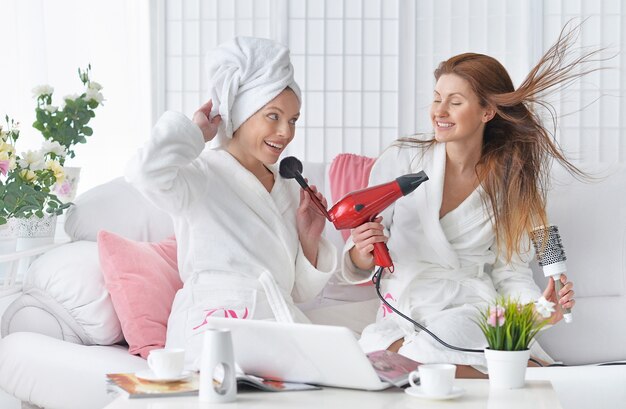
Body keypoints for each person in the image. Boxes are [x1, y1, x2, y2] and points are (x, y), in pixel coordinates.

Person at [342, 23, 597, 377]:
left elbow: (510, 272)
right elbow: (360, 259)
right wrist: (360, 251)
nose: (439, 111)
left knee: (435, 346)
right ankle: (515, 370)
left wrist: (539, 310)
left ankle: (434, 367)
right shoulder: (400, 159)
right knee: (375, 352)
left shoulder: (510, 183)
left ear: (486, 112)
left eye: (455, 101)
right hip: (404, 307)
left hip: (469, 309)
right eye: (436, 98)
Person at [126, 37, 337, 367]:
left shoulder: (287, 186)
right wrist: (195, 132)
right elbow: (144, 172)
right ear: (240, 113)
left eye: (293, 120)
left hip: (276, 323)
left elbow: (296, 293)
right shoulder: (201, 174)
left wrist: (309, 238)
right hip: (214, 325)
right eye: (273, 116)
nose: (285, 132)